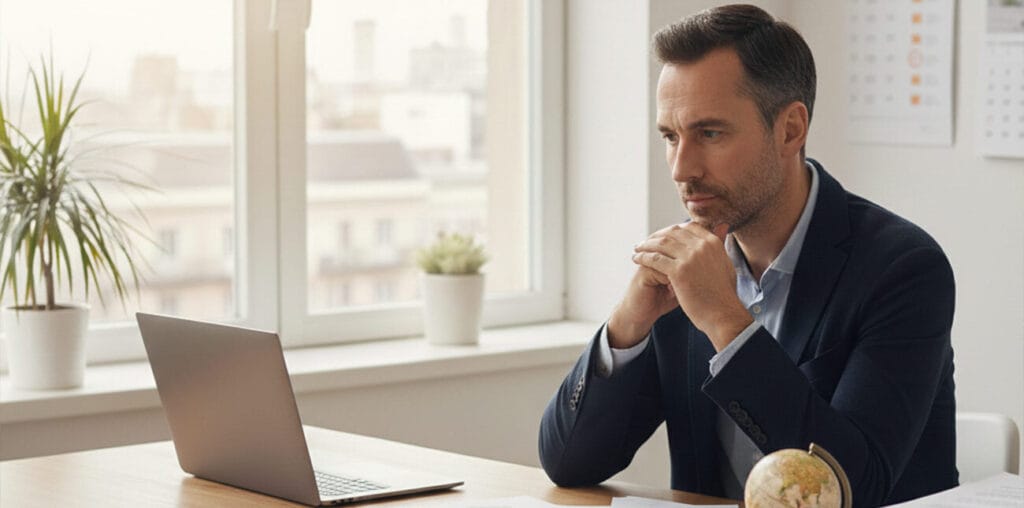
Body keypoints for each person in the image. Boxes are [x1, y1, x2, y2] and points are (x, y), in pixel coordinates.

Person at [538, 4, 957, 507]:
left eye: (709, 133)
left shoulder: (903, 269)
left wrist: (726, 321)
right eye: (670, 136)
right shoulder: (682, 268)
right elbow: (569, 464)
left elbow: (852, 489)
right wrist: (626, 328)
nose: (680, 167)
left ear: (790, 129)